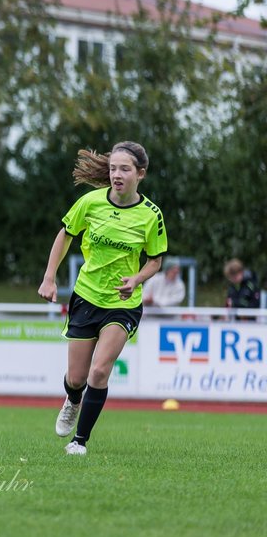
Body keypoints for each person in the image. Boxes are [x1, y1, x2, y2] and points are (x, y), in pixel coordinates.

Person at [37, 141, 167, 456]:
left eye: (125, 169)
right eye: (113, 168)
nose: (117, 175)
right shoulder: (90, 202)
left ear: (141, 174)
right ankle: (72, 399)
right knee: (77, 378)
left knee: (100, 371)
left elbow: (155, 260)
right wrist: (50, 278)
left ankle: (79, 441)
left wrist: (136, 279)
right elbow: (65, 234)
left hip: (123, 303)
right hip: (86, 296)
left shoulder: (151, 215)